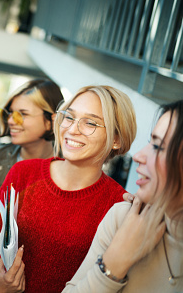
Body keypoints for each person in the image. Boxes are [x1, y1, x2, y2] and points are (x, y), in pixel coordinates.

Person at [0, 85, 137, 293]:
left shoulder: (118, 205)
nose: (72, 129)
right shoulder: (24, 173)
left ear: (116, 139)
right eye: (69, 118)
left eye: (90, 123)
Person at [64, 100, 183, 292]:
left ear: (115, 140)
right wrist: (114, 262)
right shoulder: (124, 217)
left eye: (158, 147)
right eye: (69, 117)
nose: (138, 157)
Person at [0, 78, 63, 205]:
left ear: (51, 121)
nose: (10, 121)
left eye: (23, 114)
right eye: (10, 113)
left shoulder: (68, 168)